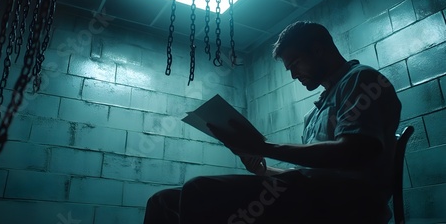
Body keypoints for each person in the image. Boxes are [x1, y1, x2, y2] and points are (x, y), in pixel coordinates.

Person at [143, 21, 402, 224]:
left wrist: (262, 146)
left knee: (200, 190)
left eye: (295, 63)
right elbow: (310, 176)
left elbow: (355, 152)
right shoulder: (314, 113)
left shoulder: (362, 80)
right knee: (162, 201)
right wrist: (262, 170)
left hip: (347, 205)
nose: (292, 74)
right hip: (313, 196)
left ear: (318, 50)